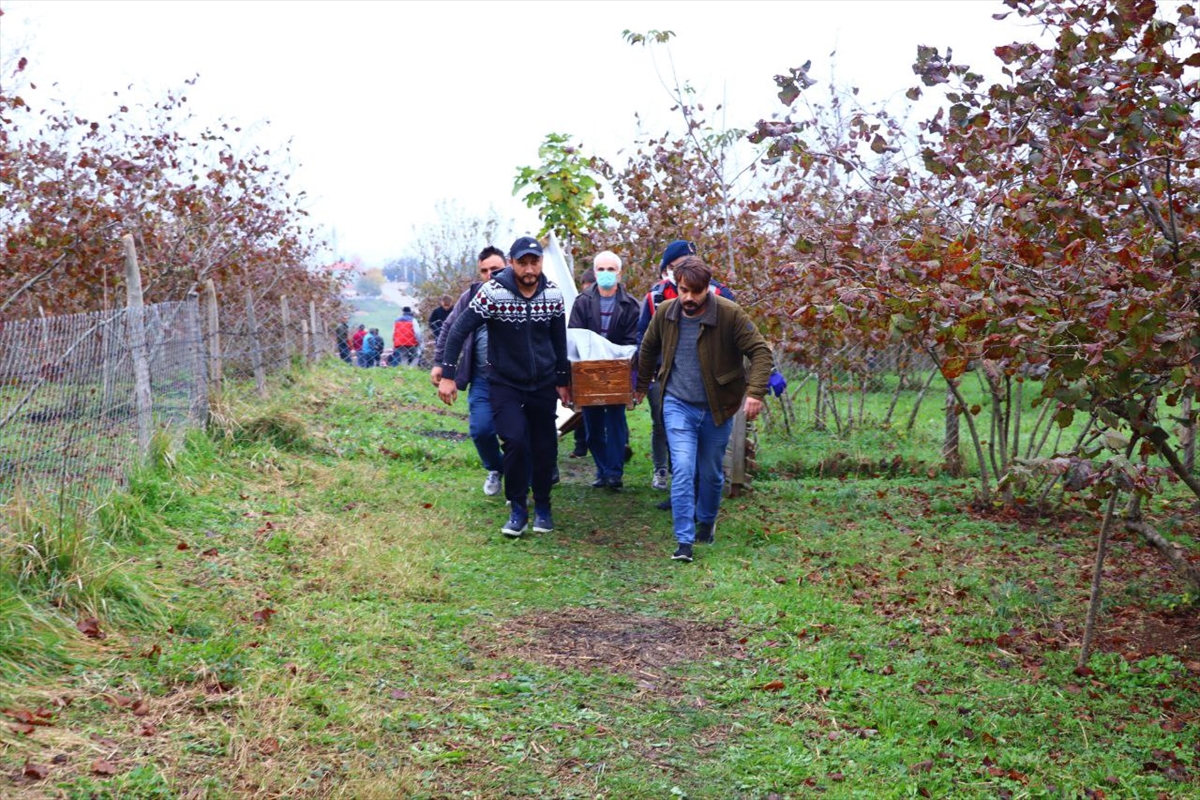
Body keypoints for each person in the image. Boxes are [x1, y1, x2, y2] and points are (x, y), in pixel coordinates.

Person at [634, 255, 772, 563]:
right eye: (684, 290)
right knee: (683, 468)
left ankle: (707, 521)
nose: (689, 298)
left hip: (717, 407)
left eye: (696, 292)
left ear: (707, 288)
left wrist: (755, 393)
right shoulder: (666, 313)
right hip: (677, 403)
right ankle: (684, 541)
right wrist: (641, 385)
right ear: (677, 287)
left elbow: (760, 351)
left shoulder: (729, 313)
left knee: (710, 473)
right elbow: (648, 347)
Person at [438, 236, 571, 537]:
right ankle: (518, 509)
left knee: (544, 446)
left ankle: (544, 506)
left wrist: (563, 380)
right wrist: (448, 374)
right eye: (522, 263)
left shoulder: (552, 294)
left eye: (534, 262)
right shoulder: (493, 293)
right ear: (512, 263)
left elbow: (558, 340)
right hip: (504, 382)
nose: (529, 269)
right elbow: (458, 330)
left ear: (541, 262)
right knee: (515, 442)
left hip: (543, 383)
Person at [636, 240, 737, 501]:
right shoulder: (656, 297)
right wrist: (645, 373)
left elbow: (738, 333)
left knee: (705, 439)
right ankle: (680, 491)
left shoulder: (719, 294)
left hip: (708, 379)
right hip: (667, 377)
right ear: (668, 269)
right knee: (672, 432)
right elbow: (644, 338)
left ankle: (702, 493)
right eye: (677, 266)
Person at [430, 247, 507, 496]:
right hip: (482, 378)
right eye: (484, 270)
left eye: (495, 269)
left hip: (514, 380)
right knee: (481, 430)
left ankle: (521, 483)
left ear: (508, 266)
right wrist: (440, 363)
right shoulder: (472, 296)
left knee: (517, 433)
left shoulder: (520, 294)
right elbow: (450, 328)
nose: (490, 274)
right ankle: (496, 468)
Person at [568, 252, 639, 490]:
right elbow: (574, 336)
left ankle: (614, 474)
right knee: (593, 429)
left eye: (611, 269)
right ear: (595, 272)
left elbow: (633, 341)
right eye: (601, 269)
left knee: (616, 423)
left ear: (619, 273)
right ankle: (602, 469)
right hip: (588, 374)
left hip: (616, 374)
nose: (606, 273)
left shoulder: (630, 305)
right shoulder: (582, 302)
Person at [568, 268, 596, 460]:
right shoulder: (580, 304)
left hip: (604, 364)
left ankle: (620, 444)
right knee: (582, 408)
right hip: (582, 364)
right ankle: (581, 446)